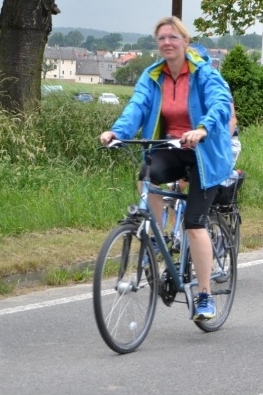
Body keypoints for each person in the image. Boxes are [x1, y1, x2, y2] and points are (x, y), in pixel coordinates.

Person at [99, 16, 233, 321]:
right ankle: (156, 236)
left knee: (195, 224)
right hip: (172, 148)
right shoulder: (153, 75)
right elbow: (137, 106)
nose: (167, 43)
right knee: (147, 174)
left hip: (204, 153)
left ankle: (203, 295)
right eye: (161, 39)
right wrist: (117, 132)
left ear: (185, 42)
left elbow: (221, 104)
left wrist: (202, 128)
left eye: (173, 37)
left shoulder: (203, 73)